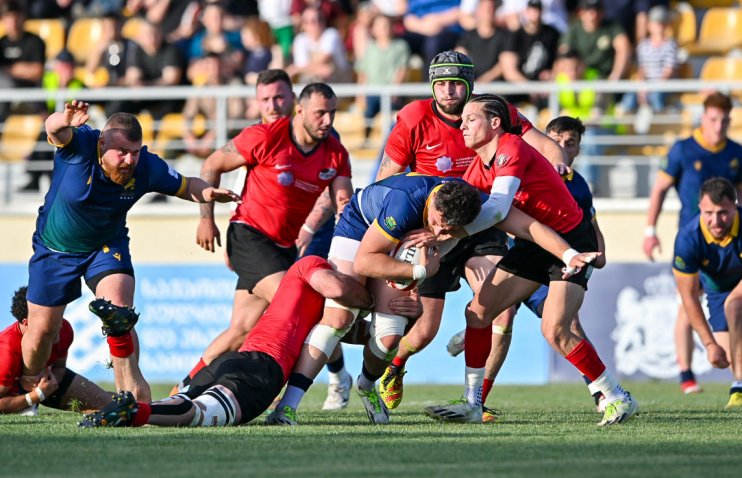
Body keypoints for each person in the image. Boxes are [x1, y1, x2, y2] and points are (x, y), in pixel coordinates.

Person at [267, 173, 597, 425]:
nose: (438, 236)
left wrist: (567, 253)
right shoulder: (405, 202)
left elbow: (529, 226)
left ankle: (367, 385)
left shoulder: (477, 205)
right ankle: (287, 407)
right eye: (438, 225)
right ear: (434, 205)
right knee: (338, 318)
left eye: (448, 232)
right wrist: (418, 274)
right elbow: (368, 260)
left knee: (391, 334)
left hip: (399, 246)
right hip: (360, 230)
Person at [373, 50, 569, 413]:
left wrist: (557, 158)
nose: (448, 91)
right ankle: (395, 369)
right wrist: (388, 236)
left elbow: (539, 140)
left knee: (501, 311)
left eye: (455, 83)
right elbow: (385, 180)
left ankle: (476, 400)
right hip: (435, 230)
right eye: (441, 84)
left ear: (469, 85)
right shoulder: (414, 117)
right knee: (425, 331)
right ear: (433, 86)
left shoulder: (494, 111)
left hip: (481, 224)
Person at [423, 94, 634, 427]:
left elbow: (495, 210)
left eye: (471, 118)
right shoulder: (478, 169)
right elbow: (473, 221)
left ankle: (616, 396)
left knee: (556, 330)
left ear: (495, 124)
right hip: (531, 244)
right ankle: (472, 403)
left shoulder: (512, 148)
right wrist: (421, 265)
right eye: (461, 120)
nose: (462, 125)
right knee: (477, 311)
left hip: (570, 241)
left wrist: (446, 237)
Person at [20, 100, 240, 404]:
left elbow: (186, 185)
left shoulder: (146, 166)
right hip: (55, 249)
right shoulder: (81, 144)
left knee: (119, 314)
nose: (129, 160)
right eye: (121, 152)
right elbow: (54, 130)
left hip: (106, 245)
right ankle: (29, 385)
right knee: (42, 332)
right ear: (102, 142)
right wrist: (65, 118)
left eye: (134, 152)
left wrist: (206, 193)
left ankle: (130, 395)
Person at [180, 80, 353, 407]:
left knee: (241, 330)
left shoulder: (335, 153)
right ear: (299, 110)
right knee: (302, 309)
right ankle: (295, 390)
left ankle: (184, 389)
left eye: (332, 113)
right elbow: (211, 165)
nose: (328, 121)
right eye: (320, 114)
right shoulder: (266, 136)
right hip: (248, 236)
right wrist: (205, 218)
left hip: (284, 248)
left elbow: (343, 203)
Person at [78, 256, 374, 428]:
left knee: (180, 401)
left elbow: (347, 334)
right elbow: (335, 286)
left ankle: (120, 345)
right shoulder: (313, 265)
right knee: (198, 414)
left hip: (234, 359)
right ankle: (134, 412)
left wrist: (189, 377)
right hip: (262, 369)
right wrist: (369, 301)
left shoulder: (313, 307)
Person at [447, 116, 608, 421]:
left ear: (577, 150)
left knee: (562, 327)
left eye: (568, 144)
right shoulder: (515, 164)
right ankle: (477, 401)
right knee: (492, 315)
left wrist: (598, 250)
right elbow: (509, 215)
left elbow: (587, 221)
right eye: (554, 141)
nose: (559, 148)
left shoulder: (578, 185)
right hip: (526, 253)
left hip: (561, 255)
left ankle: (604, 393)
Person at [644, 91, 742, 394]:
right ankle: (686, 374)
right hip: (696, 241)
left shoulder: (736, 152)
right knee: (687, 304)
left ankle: (736, 381)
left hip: (728, 238)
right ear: (703, 118)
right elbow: (659, 189)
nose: (719, 125)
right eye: (714, 119)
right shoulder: (683, 149)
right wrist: (650, 230)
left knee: (731, 305)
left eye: (725, 120)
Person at [672, 177, 742, 410]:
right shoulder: (688, 238)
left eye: (723, 212)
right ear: (700, 208)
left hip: (736, 289)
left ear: (735, 204)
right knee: (729, 358)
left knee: (735, 306)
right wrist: (709, 343)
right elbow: (689, 297)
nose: (715, 220)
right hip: (717, 290)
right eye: (709, 213)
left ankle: (738, 387)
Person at [1, 286, 112, 415]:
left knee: (110, 404)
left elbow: (59, 368)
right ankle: (26, 406)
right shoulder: (6, 351)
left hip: (48, 384)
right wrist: (35, 396)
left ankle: (139, 405)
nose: (58, 324)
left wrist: (48, 380)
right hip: (23, 392)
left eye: (55, 315)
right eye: (46, 319)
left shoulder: (64, 329)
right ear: (26, 322)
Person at [558, 0, 630, 82]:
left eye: (597, 10)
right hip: (581, 77)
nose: (593, 15)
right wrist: (572, 73)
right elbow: (563, 54)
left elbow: (623, 48)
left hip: (605, 78)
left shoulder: (612, 27)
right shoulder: (573, 29)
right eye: (588, 10)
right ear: (581, 12)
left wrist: (615, 77)